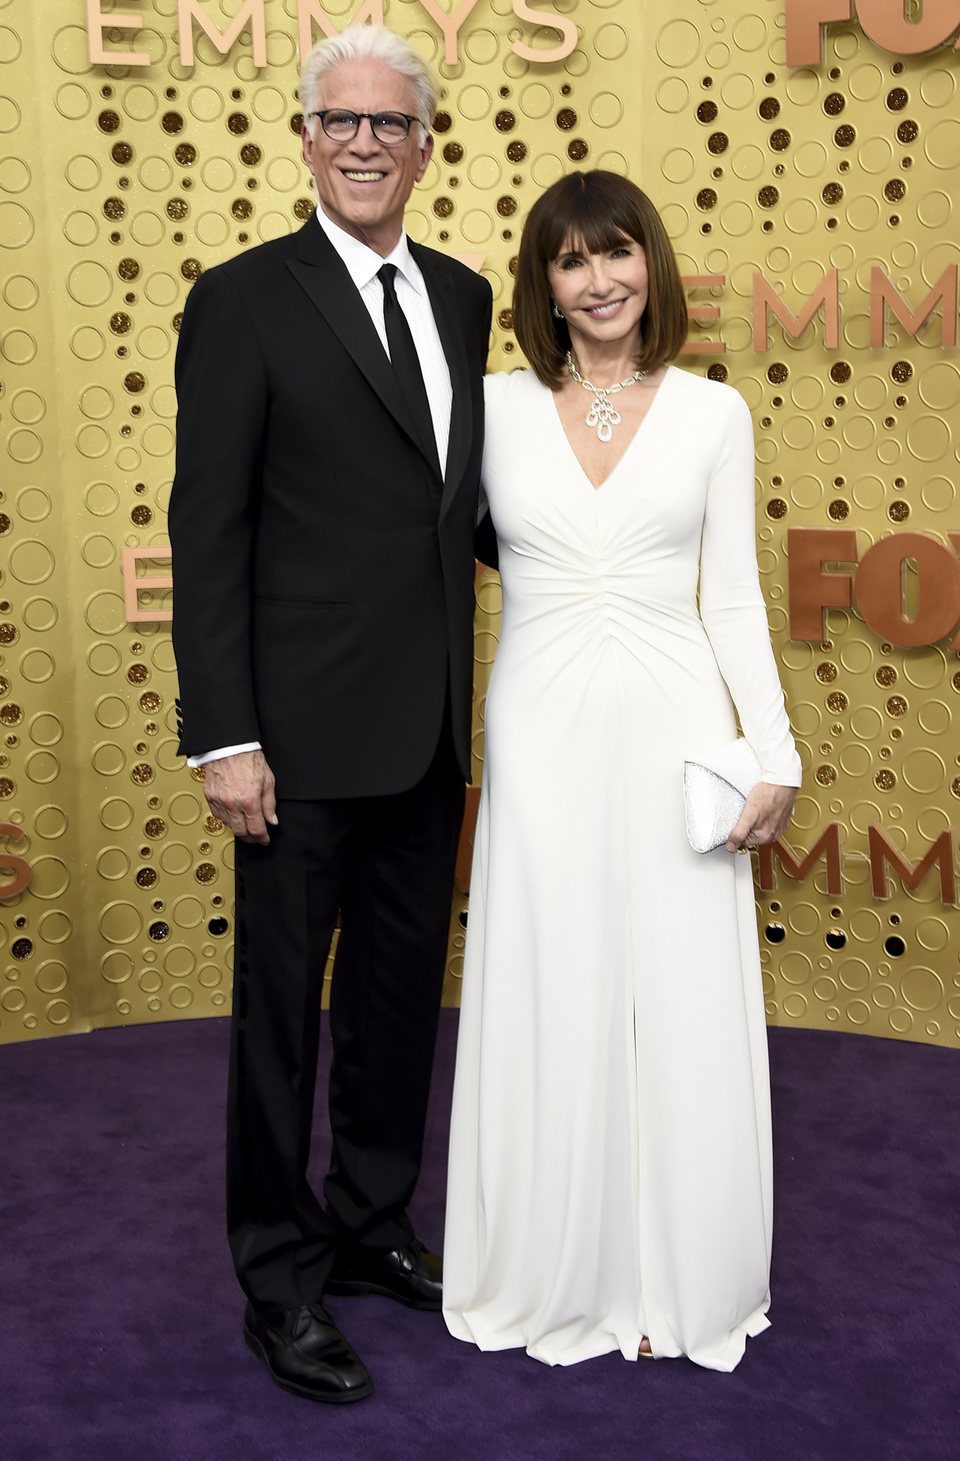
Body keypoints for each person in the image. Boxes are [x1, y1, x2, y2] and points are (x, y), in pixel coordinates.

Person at [168, 25, 491, 1404]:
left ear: (429, 145)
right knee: (279, 1020)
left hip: (426, 734)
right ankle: (279, 1274)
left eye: (390, 123)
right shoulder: (242, 299)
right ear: (302, 140)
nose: (364, 141)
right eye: (338, 119)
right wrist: (223, 733)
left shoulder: (471, 297)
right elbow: (210, 529)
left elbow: (472, 509)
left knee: (397, 1006)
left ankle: (369, 1226)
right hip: (289, 747)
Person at [442, 170, 801, 1372]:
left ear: (653, 262)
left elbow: (736, 598)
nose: (599, 282)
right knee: (553, 978)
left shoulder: (714, 412)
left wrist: (773, 750)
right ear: (542, 283)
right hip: (538, 728)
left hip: (675, 725)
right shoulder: (489, 409)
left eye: (618, 254)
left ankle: (673, 1275)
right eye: (570, 261)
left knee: (679, 991)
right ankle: (556, 1266)